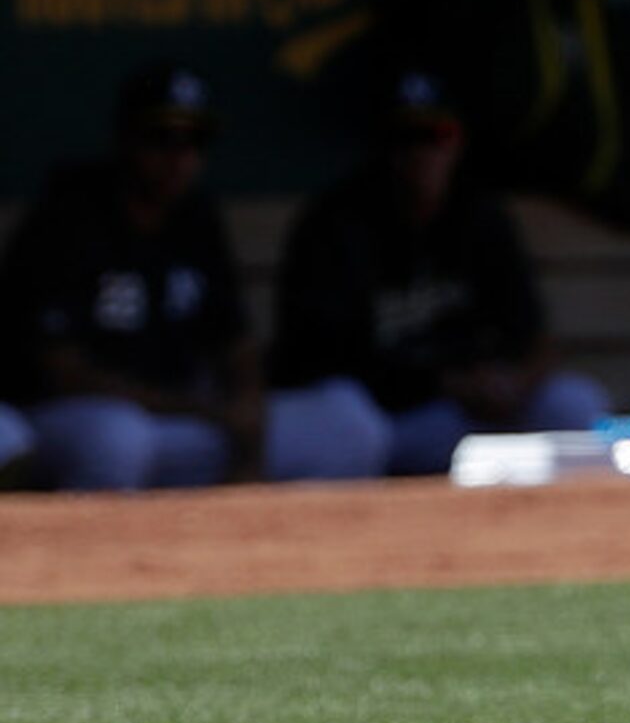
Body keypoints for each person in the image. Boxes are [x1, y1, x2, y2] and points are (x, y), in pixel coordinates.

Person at [0, 65, 388, 491]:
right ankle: (110, 556)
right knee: (117, 438)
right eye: (162, 138)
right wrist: (204, 409)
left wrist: (247, 427)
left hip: (187, 424)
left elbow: (237, 344)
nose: (178, 158)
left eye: (193, 141)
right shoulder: (69, 218)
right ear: (125, 138)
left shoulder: (195, 219)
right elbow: (64, 375)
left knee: (349, 421)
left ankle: (277, 550)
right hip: (79, 421)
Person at [272, 70, 610, 477]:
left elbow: (536, 336)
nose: (422, 153)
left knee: (575, 404)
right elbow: (322, 363)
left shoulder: (481, 215)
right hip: (394, 420)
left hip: (473, 413)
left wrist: (516, 382)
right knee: (354, 430)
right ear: (382, 146)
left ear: (458, 142)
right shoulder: (335, 224)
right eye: (406, 138)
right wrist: (444, 383)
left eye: (437, 136)